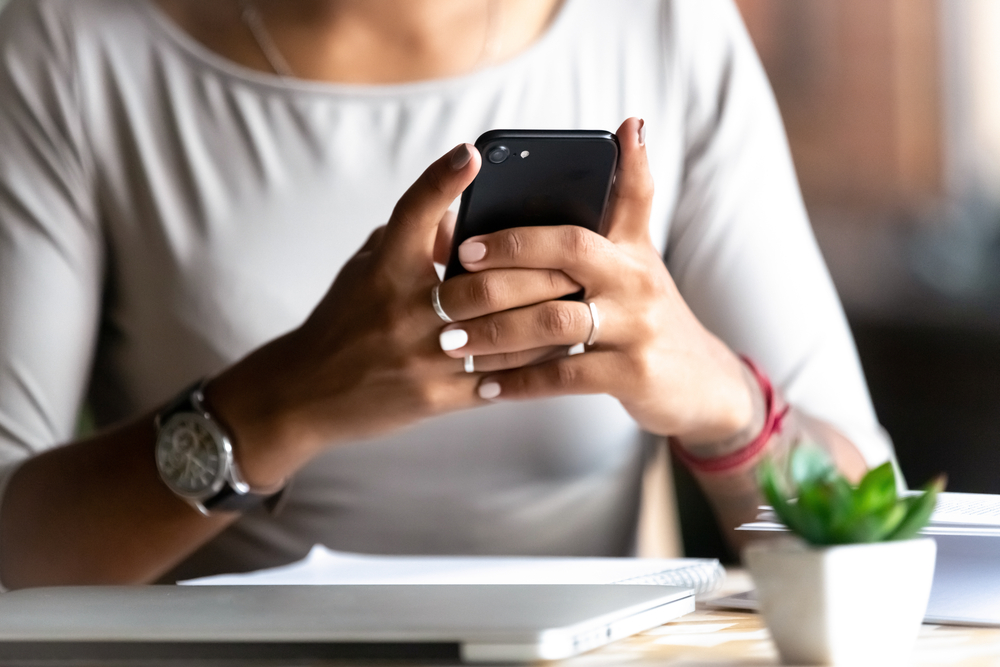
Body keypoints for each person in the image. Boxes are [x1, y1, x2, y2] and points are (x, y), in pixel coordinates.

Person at [0, 0, 890, 590]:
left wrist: (725, 404)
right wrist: (280, 402)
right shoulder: (67, 47)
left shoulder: (665, 26)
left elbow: (876, 539)